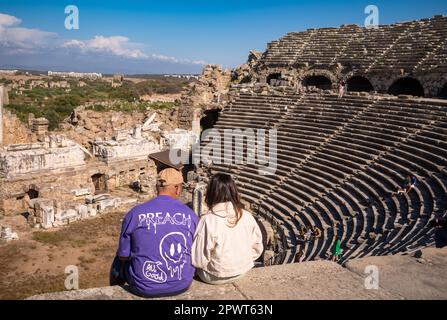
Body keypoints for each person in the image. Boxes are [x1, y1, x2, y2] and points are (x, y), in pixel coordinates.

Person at [110, 168, 199, 298]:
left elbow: (124, 255)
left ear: (157, 187)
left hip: (143, 287)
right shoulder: (191, 215)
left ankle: (114, 293)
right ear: (177, 189)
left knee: (118, 258)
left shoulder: (135, 213)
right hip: (182, 285)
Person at [192, 173, 263, 285]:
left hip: (213, 276)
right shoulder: (246, 215)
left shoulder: (207, 220)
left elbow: (199, 260)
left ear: (211, 193)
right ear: (233, 191)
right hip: (242, 271)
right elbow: (257, 247)